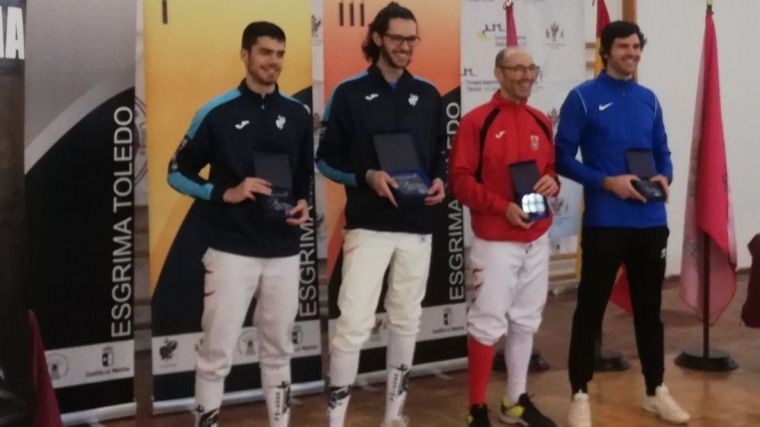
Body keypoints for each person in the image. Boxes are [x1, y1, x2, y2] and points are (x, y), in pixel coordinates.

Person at [167, 21, 312, 427]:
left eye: (280, 54)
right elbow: (176, 172)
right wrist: (224, 192)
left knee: (279, 350)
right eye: (266, 53)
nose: (274, 62)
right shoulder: (215, 112)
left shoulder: (297, 114)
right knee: (216, 353)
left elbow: (302, 177)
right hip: (231, 251)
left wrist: (302, 203)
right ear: (245, 55)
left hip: (283, 252)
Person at [315, 2, 446, 426]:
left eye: (412, 39)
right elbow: (325, 159)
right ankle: (336, 421)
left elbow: (438, 158)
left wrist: (442, 182)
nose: (406, 47)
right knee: (352, 324)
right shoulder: (349, 94)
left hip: (417, 227)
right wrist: (367, 175)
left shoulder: (428, 95)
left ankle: (394, 416)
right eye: (397, 39)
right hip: (369, 228)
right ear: (376, 38)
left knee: (406, 320)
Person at [555, 21, 690, 427]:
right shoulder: (582, 98)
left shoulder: (649, 99)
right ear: (606, 50)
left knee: (650, 310)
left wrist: (665, 176)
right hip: (606, 220)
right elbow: (563, 158)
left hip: (651, 221)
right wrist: (605, 182)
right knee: (590, 309)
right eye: (623, 47)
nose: (631, 53)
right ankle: (579, 394)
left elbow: (662, 151)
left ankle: (655, 390)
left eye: (636, 47)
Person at [450, 47, 558, 427]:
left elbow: (550, 171)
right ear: (498, 73)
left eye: (532, 68)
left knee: (526, 320)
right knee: (487, 322)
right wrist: (500, 207)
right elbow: (460, 181)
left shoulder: (540, 120)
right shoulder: (477, 121)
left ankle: (514, 401)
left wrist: (552, 182)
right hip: (495, 240)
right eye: (517, 69)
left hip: (537, 237)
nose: (527, 75)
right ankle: (476, 409)